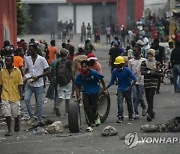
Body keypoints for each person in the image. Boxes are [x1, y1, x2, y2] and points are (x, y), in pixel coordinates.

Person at [75, 60, 107, 132]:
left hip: (95, 92)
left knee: (94, 108)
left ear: (88, 67)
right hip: (86, 92)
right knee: (86, 107)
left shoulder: (94, 73)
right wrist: (78, 96)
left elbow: (101, 79)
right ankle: (90, 123)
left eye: (85, 66)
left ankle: (96, 117)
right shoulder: (80, 75)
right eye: (82, 66)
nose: (84, 68)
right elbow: (77, 86)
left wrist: (104, 90)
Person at [24, 43, 50, 125]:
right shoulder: (27, 59)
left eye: (31, 50)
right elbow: (26, 69)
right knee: (26, 99)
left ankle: (39, 119)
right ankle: (32, 117)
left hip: (39, 84)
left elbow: (48, 70)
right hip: (30, 84)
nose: (29, 51)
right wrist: (27, 77)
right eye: (29, 50)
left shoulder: (42, 59)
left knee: (39, 103)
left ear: (35, 50)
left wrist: (38, 77)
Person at [106, 56, 136, 123]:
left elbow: (134, 79)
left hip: (127, 89)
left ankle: (130, 114)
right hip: (120, 89)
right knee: (120, 103)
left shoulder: (127, 70)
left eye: (119, 65)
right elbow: (112, 81)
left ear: (122, 64)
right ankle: (120, 116)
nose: (118, 66)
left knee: (129, 102)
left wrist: (130, 87)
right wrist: (105, 88)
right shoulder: (115, 71)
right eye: (117, 65)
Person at [0, 56, 23, 136]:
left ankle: (17, 121)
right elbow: (1, 84)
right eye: (6, 61)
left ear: (12, 62)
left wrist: (21, 94)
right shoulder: (2, 71)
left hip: (15, 95)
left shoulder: (17, 71)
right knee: (7, 113)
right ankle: (9, 129)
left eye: (8, 61)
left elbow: (20, 84)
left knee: (15, 114)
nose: (6, 62)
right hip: (5, 95)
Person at [141, 49, 163, 121]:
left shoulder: (157, 63)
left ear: (154, 55)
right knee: (148, 98)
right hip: (146, 83)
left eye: (151, 54)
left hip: (153, 83)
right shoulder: (144, 63)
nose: (149, 56)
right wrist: (149, 72)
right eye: (148, 54)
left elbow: (162, 73)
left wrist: (155, 73)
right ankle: (151, 111)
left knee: (150, 97)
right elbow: (142, 71)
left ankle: (149, 114)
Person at [129, 44, 147, 119]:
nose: (134, 52)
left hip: (141, 81)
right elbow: (129, 72)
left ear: (139, 51)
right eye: (133, 50)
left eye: (135, 50)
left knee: (140, 97)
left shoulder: (144, 60)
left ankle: (144, 106)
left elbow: (146, 71)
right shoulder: (131, 61)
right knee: (135, 98)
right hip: (133, 82)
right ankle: (136, 113)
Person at [55, 48, 74, 116]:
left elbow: (56, 73)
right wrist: (73, 81)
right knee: (67, 97)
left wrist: (57, 82)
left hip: (60, 82)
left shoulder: (58, 62)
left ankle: (57, 106)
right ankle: (66, 112)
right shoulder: (69, 62)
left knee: (60, 96)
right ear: (67, 54)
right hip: (68, 82)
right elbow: (71, 72)